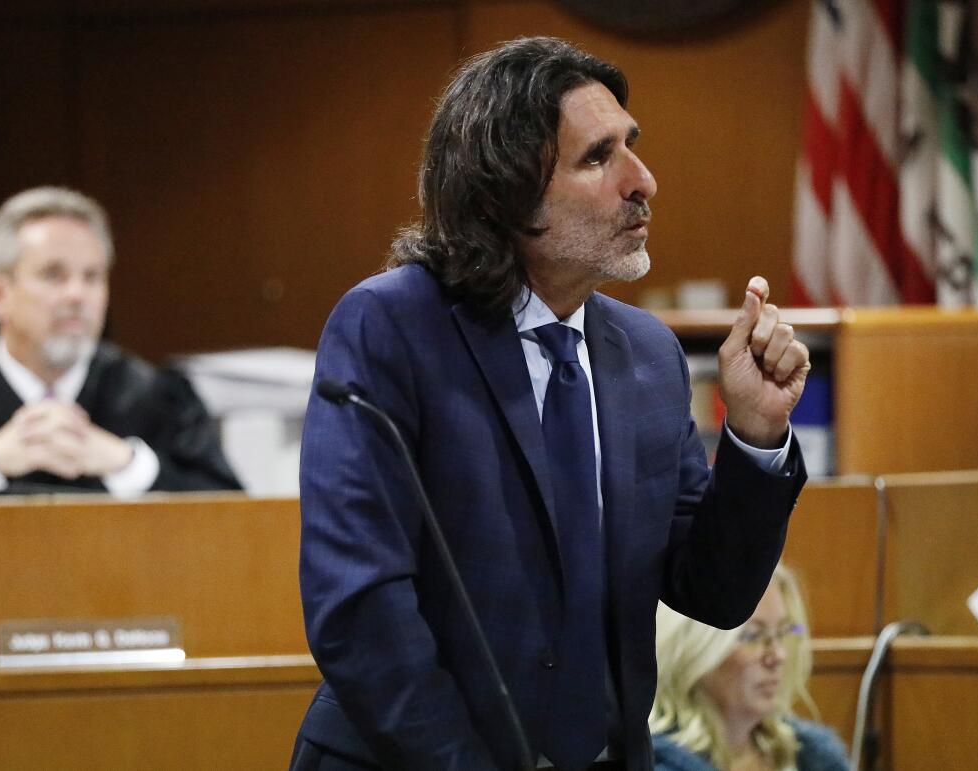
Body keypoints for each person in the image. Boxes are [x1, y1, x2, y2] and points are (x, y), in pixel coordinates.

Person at [291, 37, 810, 771]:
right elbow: (360, 608)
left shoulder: (647, 355)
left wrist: (757, 435)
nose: (644, 181)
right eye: (599, 157)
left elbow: (714, 591)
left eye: (633, 146)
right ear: (505, 190)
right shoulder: (392, 327)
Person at [0, 186, 240, 499]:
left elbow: (234, 520)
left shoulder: (157, 401)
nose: (77, 295)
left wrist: (127, 465)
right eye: (54, 275)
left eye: (92, 277)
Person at [650, 565, 849, 771]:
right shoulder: (655, 763)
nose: (778, 656)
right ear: (693, 650)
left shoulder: (810, 756)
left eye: (782, 633)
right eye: (752, 636)